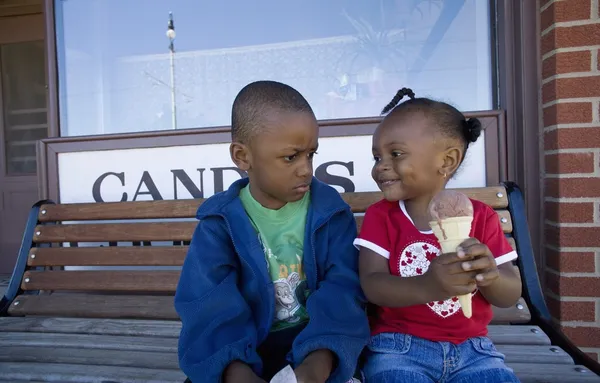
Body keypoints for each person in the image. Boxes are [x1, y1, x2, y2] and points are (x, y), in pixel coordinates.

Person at [174, 80, 370, 383]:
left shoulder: (331, 214)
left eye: (311, 154)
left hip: (318, 344)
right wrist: (236, 371)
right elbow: (208, 308)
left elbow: (343, 290)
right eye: (291, 157)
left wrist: (319, 362)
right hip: (244, 348)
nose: (306, 168)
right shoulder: (219, 226)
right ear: (242, 157)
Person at [354, 88, 522, 382]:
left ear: (447, 161)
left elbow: (510, 294)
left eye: (396, 154)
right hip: (398, 348)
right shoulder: (381, 217)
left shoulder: (481, 217)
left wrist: (491, 276)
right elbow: (372, 285)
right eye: (376, 156)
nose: (380, 165)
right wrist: (430, 285)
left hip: (474, 351)